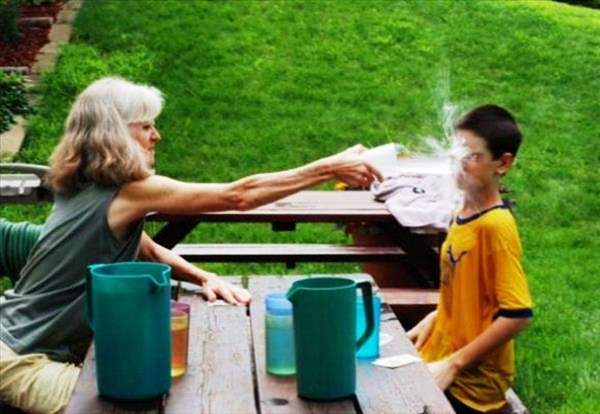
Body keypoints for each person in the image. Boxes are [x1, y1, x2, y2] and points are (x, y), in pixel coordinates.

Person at [0, 77, 383, 413]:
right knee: (127, 403)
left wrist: (204, 277)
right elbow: (239, 196)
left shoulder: (83, 187)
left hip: (28, 344)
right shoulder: (128, 192)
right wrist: (328, 168)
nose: (156, 136)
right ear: (114, 133)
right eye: (146, 126)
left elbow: (146, 248)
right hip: (18, 357)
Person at [407, 105, 533, 413]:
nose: (458, 164)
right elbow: (467, 292)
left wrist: (453, 364)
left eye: (472, 156)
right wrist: (434, 319)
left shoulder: (495, 226)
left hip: (471, 385)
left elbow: (518, 314)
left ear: (502, 163)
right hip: (439, 357)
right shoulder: (460, 214)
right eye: (457, 152)